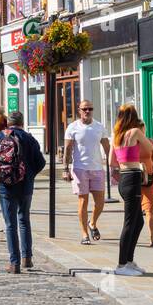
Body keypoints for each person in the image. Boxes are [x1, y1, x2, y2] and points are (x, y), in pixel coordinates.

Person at [0, 110, 46, 274]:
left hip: (6, 185)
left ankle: (14, 263)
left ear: (8, 123)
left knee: (10, 223)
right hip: (26, 185)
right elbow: (41, 162)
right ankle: (27, 258)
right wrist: (29, 174)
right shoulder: (30, 138)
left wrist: (3, 171)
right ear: (22, 122)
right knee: (24, 219)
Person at [108, 104, 153, 276]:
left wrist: (125, 158)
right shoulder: (134, 132)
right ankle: (121, 265)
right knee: (129, 223)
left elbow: (112, 161)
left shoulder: (116, 136)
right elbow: (149, 148)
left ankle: (129, 260)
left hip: (124, 179)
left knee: (138, 221)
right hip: (133, 177)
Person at [62, 100, 110, 245]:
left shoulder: (99, 127)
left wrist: (114, 167)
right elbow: (68, 150)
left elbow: (108, 149)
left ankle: (92, 223)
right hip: (79, 169)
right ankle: (84, 234)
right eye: (84, 109)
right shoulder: (73, 127)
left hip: (97, 169)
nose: (87, 111)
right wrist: (65, 169)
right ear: (79, 110)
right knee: (83, 201)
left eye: (90, 108)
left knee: (100, 203)